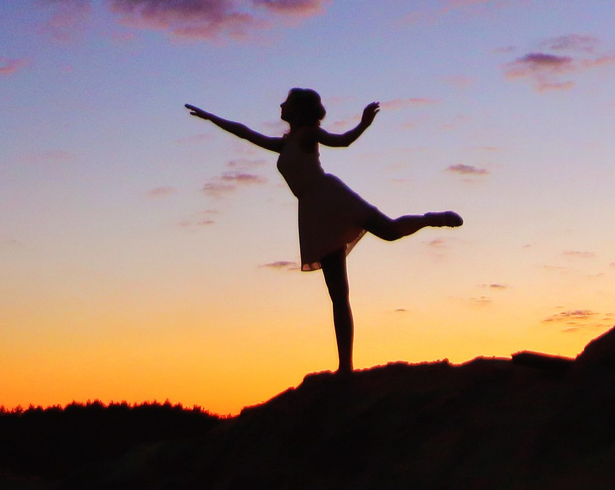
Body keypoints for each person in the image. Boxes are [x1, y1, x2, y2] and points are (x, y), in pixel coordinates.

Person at [186, 89, 461, 375]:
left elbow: (342, 141)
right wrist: (210, 117)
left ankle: (431, 219)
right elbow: (244, 133)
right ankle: (345, 367)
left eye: (287, 102)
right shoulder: (286, 143)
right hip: (313, 213)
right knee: (339, 295)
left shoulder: (309, 134)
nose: (281, 105)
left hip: (330, 197)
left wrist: (363, 124)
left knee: (389, 231)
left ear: (299, 110)